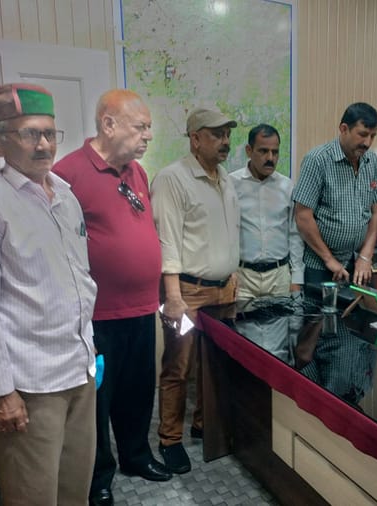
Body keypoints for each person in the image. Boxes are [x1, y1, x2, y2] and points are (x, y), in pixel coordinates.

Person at [0, 83, 98, 505]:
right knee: (32, 497)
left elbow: (77, 277)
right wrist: (0, 391)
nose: (43, 145)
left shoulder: (66, 197)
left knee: (75, 491)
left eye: (49, 133)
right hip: (30, 386)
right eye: (29, 134)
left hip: (80, 371)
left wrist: (90, 346)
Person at [53, 89, 169, 506]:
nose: (148, 136)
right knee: (97, 401)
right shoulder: (67, 174)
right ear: (108, 124)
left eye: (148, 128)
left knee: (138, 390)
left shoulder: (136, 173)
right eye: (141, 127)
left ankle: (136, 456)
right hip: (96, 316)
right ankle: (97, 475)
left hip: (142, 308)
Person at [150, 108, 240, 474]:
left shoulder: (225, 179)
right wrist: (172, 296)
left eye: (227, 134)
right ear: (195, 139)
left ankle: (205, 425)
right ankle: (170, 439)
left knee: (215, 364)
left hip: (224, 291)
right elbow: (166, 240)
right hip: (186, 292)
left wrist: (234, 274)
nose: (225, 141)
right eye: (216, 134)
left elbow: (228, 234)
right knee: (179, 366)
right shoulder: (172, 179)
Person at [293, 102, 377, 287]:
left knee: (365, 307)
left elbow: (376, 212)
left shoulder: (371, 161)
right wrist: (329, 259)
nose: (367, 143)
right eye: (362, 134)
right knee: (322, 308)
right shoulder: (317, 160)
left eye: (372, 136)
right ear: (344, 129)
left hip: (357, 263)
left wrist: (366, 256)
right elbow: (302, 216)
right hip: (321, 266)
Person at [230, 124, 304, 299]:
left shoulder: (287, 186)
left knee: (282, 318)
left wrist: (297, 278)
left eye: (275, 152)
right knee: (240, 319)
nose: (270, 158)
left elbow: (295, 234)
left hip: (279, 278)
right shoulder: (231, 184)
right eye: (263, 151)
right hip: (243, 278)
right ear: (249, 151)